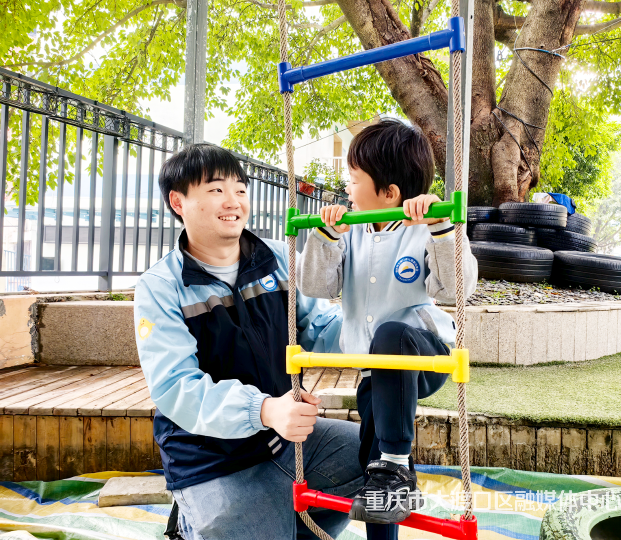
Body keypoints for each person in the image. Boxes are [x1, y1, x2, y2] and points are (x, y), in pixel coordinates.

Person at [133, 144, 365, 540]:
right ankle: (191, 523)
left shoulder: (276, 257)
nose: (233, 201)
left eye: (240, 190)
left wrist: (380, 335)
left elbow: (318, 326)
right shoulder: (161, 286)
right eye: (215, 190)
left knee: (375, 458)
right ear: (178, 202)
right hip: (211, 460)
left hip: (284, 441)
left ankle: (301, 529)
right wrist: (264, 409)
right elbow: (176, 387)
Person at [297, 119, 478, 538]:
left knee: (391, 334)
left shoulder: (424, 228)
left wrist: (440, 228)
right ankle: (392, 478)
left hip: (424, 355)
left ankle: (396, 465)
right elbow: (315, 286)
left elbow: (457, 289)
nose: (346, 188)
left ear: (390, 193)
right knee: (374, 472)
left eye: (354, 179)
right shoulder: (351, 231)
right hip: (374, 369)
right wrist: (325, 236)